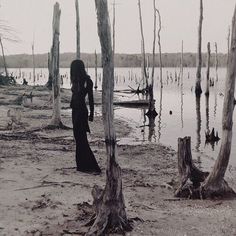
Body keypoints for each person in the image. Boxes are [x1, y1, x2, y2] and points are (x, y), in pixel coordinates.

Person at [70, 59, 101, 174]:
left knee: (81, 138)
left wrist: (92, 113)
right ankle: (82, 165)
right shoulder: (75, 80)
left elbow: (91, 98)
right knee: (78, 138)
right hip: (75, 110)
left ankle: (91, 166)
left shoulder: (87, 81)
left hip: (81, 111)